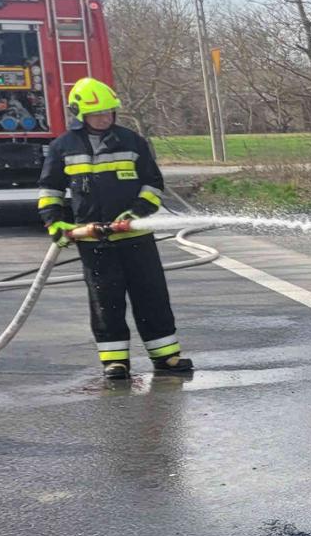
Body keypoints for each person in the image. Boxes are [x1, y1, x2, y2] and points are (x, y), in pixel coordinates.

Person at [37, 77, 194, 380]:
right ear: (80, 115)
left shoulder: (132, 141)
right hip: (93, 240)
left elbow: (153, 184)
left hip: (135, 236)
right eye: (97, 114)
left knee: (151, 296)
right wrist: (54, 222)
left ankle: (166, 357)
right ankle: (115, 361)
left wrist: (135, 213)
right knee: (104, 301)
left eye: (108, 112)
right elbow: (50, 190)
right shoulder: (62, 148)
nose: (104, 118)